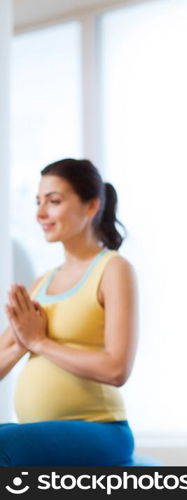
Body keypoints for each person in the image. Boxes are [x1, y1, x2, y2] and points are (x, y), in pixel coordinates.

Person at [0, 158, 138, 466]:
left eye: (54, 201)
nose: (40, 213)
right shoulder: (41, 283)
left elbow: (117, 369)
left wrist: (39, 343)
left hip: (101, 430)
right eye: (38, 202)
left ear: (91, 207)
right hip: (40, 431)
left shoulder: (113, 269)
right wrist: (23, 343)